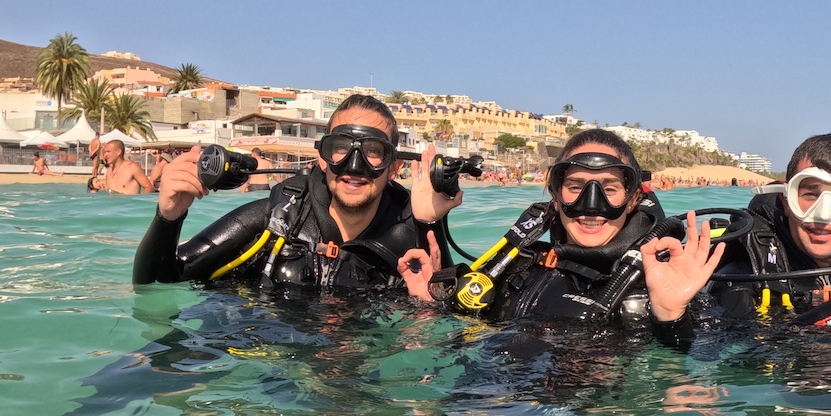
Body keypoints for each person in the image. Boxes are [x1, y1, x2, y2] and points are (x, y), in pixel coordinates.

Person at [133, 93, 460, 294]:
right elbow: (158, 284)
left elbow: (455, 325)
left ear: (392, 167)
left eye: (373, 151)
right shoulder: (276, 218)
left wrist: (429, 223)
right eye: (341, 148)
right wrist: (168, 217)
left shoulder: (407, 237)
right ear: (321, 157)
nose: (354, 166)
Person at [415, 129, 723, 334]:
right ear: (555, 195)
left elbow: (705, 364)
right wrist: (425, 307)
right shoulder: (518, 266)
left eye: (609, 189)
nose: (592, 206)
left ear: (633, 200)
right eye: (576, 187)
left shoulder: (667, 283)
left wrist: (672, 318)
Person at [660, 132, 831, 339]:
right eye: (809, 194)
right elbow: (740, 362)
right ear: (786, 201)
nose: (824, 215)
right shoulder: (745, 273)